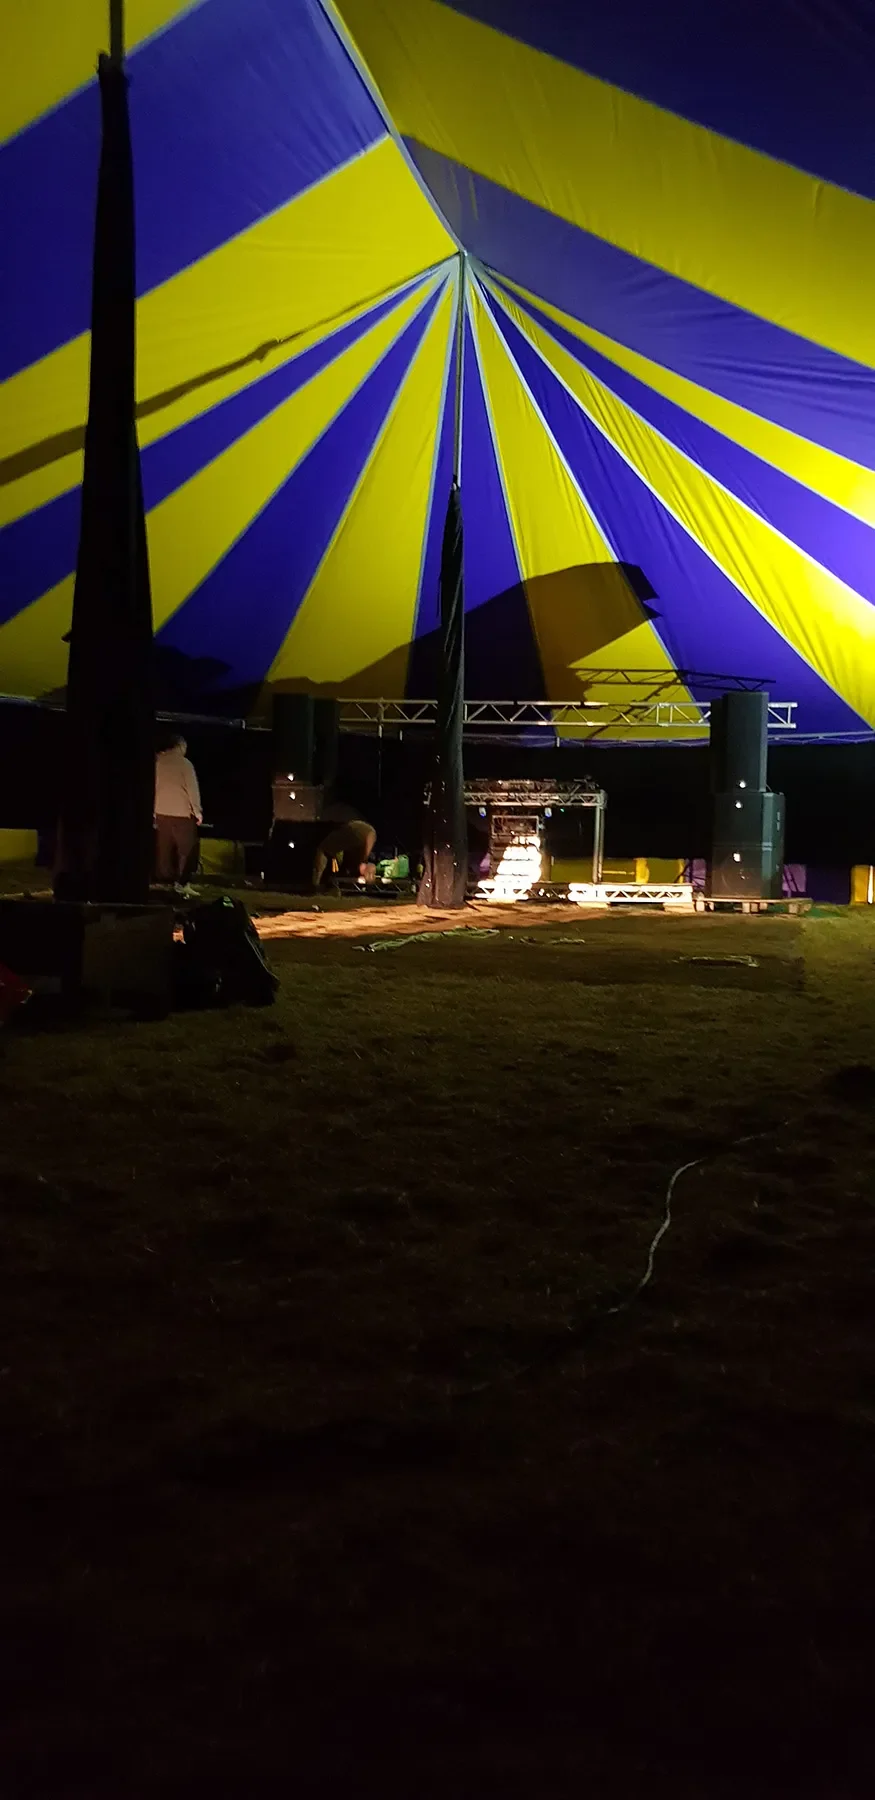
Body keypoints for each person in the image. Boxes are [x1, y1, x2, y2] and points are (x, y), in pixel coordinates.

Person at [154, 736, 202, 886]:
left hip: (160, 812)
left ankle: (164, 882)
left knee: (163, 850)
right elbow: (192, 789)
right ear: (179, 746)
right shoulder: (185, 764)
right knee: (186, 850)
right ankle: (181, 883)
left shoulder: (157, 762)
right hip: (182, 814)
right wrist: (197, 811)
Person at [312, 803, 376, 891]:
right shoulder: (351, 833)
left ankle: (318, 883)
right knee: (331, 855)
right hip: (363, 834)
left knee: (323, 851)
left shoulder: (351, 831)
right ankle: (323, 882)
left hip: (357, 834)